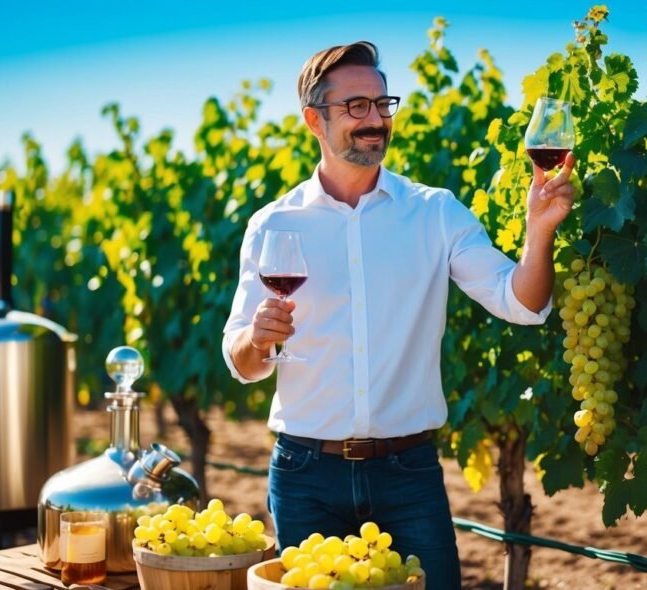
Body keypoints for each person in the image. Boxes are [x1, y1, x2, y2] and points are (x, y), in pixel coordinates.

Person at [222, 41, 577, 589]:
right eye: (356, 106)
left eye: (382, 104)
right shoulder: (274, 224)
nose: (375, 120)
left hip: (408, 474)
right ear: (314, 119)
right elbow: (242, 360)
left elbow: (522, 304)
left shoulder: (434, 212)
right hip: (305, 476)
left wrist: (540, 231)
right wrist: (257, 339)